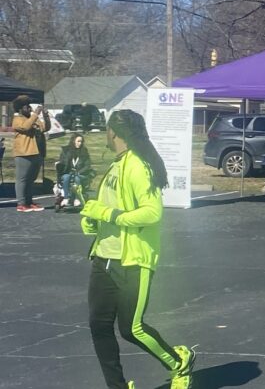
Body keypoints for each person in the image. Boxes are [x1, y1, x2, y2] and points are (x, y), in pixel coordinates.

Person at [78, 110, 195, 389]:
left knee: (132, 328)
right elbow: (111, 207)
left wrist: (108, 214)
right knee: (99, 326)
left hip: (133, 260)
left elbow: (151, 213)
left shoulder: (138, 165)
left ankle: (179, 362)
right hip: (104, 257)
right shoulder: (116, 165)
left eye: (106, 130)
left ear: (114, 133)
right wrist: (94, 222)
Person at [11, 95, 48, 212]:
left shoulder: (33, 118)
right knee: (22, 179)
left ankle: (29, 201)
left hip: (36, 151)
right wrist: (35, 114)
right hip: (23, 153)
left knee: (31, 179)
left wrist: (46, 116)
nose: (29, 109)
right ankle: (21, 203)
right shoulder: (17, 120)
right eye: (26, 107)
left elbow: (45, 128)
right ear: (20, 109)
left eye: (29, 106)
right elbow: (26, 127)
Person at [55, 134, 93, 212]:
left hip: (80, 173)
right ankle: (66, 198)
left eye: (81, 141)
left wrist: (79, 172)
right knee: (66, 177)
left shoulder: (84, 152)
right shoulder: (66, 151)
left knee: (77, 178)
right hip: (67, 172)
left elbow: (87, 165)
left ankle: (77, 198)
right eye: (78, 141)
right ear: (73, 141)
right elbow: (62, 163)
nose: (80, 143)